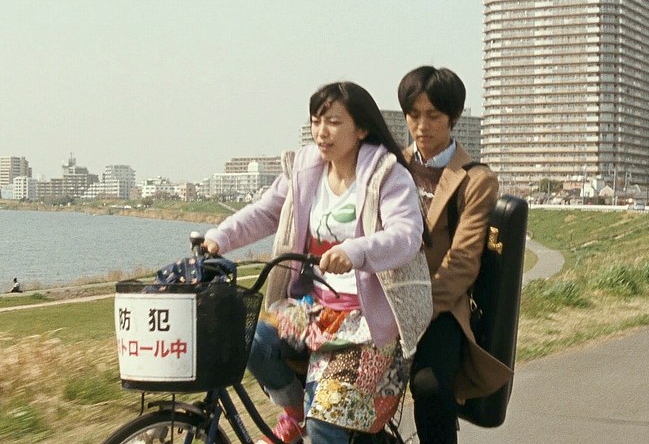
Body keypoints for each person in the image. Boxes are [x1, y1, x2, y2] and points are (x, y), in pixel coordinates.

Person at [203, 81, 431, 444]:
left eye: (334, 122)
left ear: (362, 128)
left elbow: (406, 235)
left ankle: (317, 421)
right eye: (316, 121)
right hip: (312, 310)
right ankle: (296, 414)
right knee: (253, 339)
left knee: (325, 423)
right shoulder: (306, 168)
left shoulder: (387, 174)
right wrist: (220, 238)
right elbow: (267, 211)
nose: (321, 131)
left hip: (366, 325)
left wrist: (355, 251)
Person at [398, 66, 513, 444]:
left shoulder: (476, 179)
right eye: (414, 114)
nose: (421, 126)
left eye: (433, 115)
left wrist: (416, 309)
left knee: (429, 387)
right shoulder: (391, 167)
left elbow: (462, 261)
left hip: (441, 304)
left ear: (454, 117)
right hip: (384, 298)